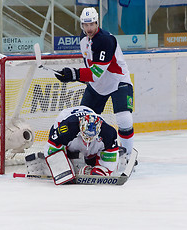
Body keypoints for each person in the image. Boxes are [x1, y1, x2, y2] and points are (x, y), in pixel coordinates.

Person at [54, 7, 134, 158]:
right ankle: (85, 152)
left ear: (97, 23)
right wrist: (77, 76)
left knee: (124, 118)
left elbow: (96, 73)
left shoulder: (105, 40)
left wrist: (74, 74)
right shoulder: (83, 39)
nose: (89, 28)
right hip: (98, 86)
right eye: (86, 24)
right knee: (84, 120)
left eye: (92, 24)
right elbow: (90, 67)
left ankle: (127, 155)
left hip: (118, 81)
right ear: (81, 25)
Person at [25, 106, 120, 185]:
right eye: (86, 135)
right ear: (80, 127)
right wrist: (64, 169)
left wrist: (102, 170)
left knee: (108, 162)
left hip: (87, 126)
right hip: (67, 125)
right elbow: (51, 149)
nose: (88, 139)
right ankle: (45, 165)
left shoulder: (108, 132)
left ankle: (87, 160)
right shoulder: (66, 128)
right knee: (66, 171)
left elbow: (110, 158)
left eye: (91, 136)